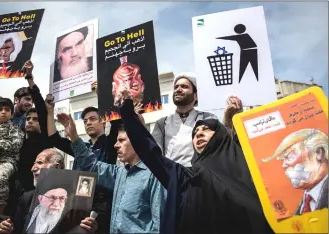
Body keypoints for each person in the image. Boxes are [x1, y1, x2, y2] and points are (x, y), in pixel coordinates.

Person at [118, 91, 274, 234]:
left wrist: (231, 121)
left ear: (220, 136)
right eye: (195, 133)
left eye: (206, 129)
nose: (198, 134)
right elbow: (150, 152)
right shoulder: (188, 177)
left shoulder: (249, 169)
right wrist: (128, 114)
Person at [57, 112, 166, 233]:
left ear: (137, 141)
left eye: (121, 140)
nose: (116, 145)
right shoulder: (119, 173)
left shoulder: (154, 175)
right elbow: (92, 165)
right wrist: (74, 136)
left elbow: (160, 224)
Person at [0, 149, 98, 234]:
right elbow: (17, 227)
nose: (33, 168)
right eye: (34, 164)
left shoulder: (76, 201)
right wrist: (8, 228)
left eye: (39, 163)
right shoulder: (27, 198)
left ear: (57, 167)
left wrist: (91, 227)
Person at [46, 96, 114, 234]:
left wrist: (104, 92)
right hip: (77, 203)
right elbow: (55, 139)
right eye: (85, 121)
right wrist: (49, 110)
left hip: (102, 207)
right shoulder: (80, 147)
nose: (88, 123)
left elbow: (117, 121)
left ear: (104, 122)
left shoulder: (111, 143)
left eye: (93, 119)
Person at [151, 73, 218, 167]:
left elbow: (221, 147)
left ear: (195, 96)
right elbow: (154, 154)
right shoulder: (162, 123)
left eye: (184, 86)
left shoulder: (208, 118)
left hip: (201, 176)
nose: (178, 89)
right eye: (176, 87)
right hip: (172, 176)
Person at [262, 129, 328, 215]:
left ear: (319, 152)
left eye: (290, 156)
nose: (284, 165)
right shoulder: (307, 201)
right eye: (283, 159)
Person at [17, 60, 53, 192]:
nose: (30, 121)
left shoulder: (45, 139)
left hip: (40, 192)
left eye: (35, 119)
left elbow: (39, 103)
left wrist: (29, 77)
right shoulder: (20, 140)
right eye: (28, 119)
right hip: (19, 194)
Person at [0, 97, 25, 215]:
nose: (3, 112)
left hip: (8, 161)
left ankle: (0, 213)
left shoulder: (15, 130)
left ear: (12, 114)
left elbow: (15, 146)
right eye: (0, 109)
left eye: (7, 110)